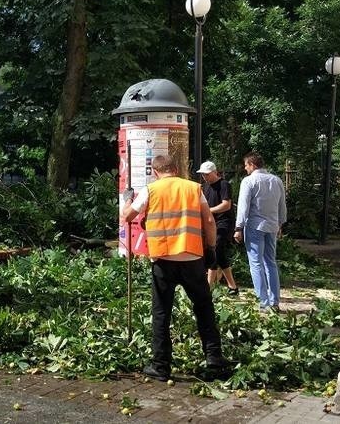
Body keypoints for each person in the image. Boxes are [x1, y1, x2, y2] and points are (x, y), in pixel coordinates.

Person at [121, 155, 230, 382]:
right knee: (203, 308)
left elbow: (127, 216)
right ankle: (213, 359)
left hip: (163, 260)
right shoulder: (193, 188)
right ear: (176, 169)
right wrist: (210, 248)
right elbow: (209, 221)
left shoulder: (151, 190)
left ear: (155, 171)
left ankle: (161, 366)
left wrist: (127, 198)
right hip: (191, 258)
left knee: (161, 312)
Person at [233, 152, 287, 312]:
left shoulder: (249, 181)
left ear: (252, 165)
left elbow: (243, 207)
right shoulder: (276, 180)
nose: (245, 168)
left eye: (246, 165)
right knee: (271, 262)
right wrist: (281, 224)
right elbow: (282, 205)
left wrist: (238, 227)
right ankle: (275, 301)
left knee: (256, 263)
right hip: (272, 226)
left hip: (255, 226)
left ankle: (264, 302)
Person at [196, 161, 239, 295]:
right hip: (211, 223)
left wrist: (209, 210)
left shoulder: (224, 185)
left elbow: (226, 205)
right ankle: (227, 286)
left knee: (216, 250)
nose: (205, 177)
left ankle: (213, 286)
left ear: (215, 172)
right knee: (214, 253)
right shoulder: (205, 187)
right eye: (203, 174)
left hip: (224, 223)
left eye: (207, 174)